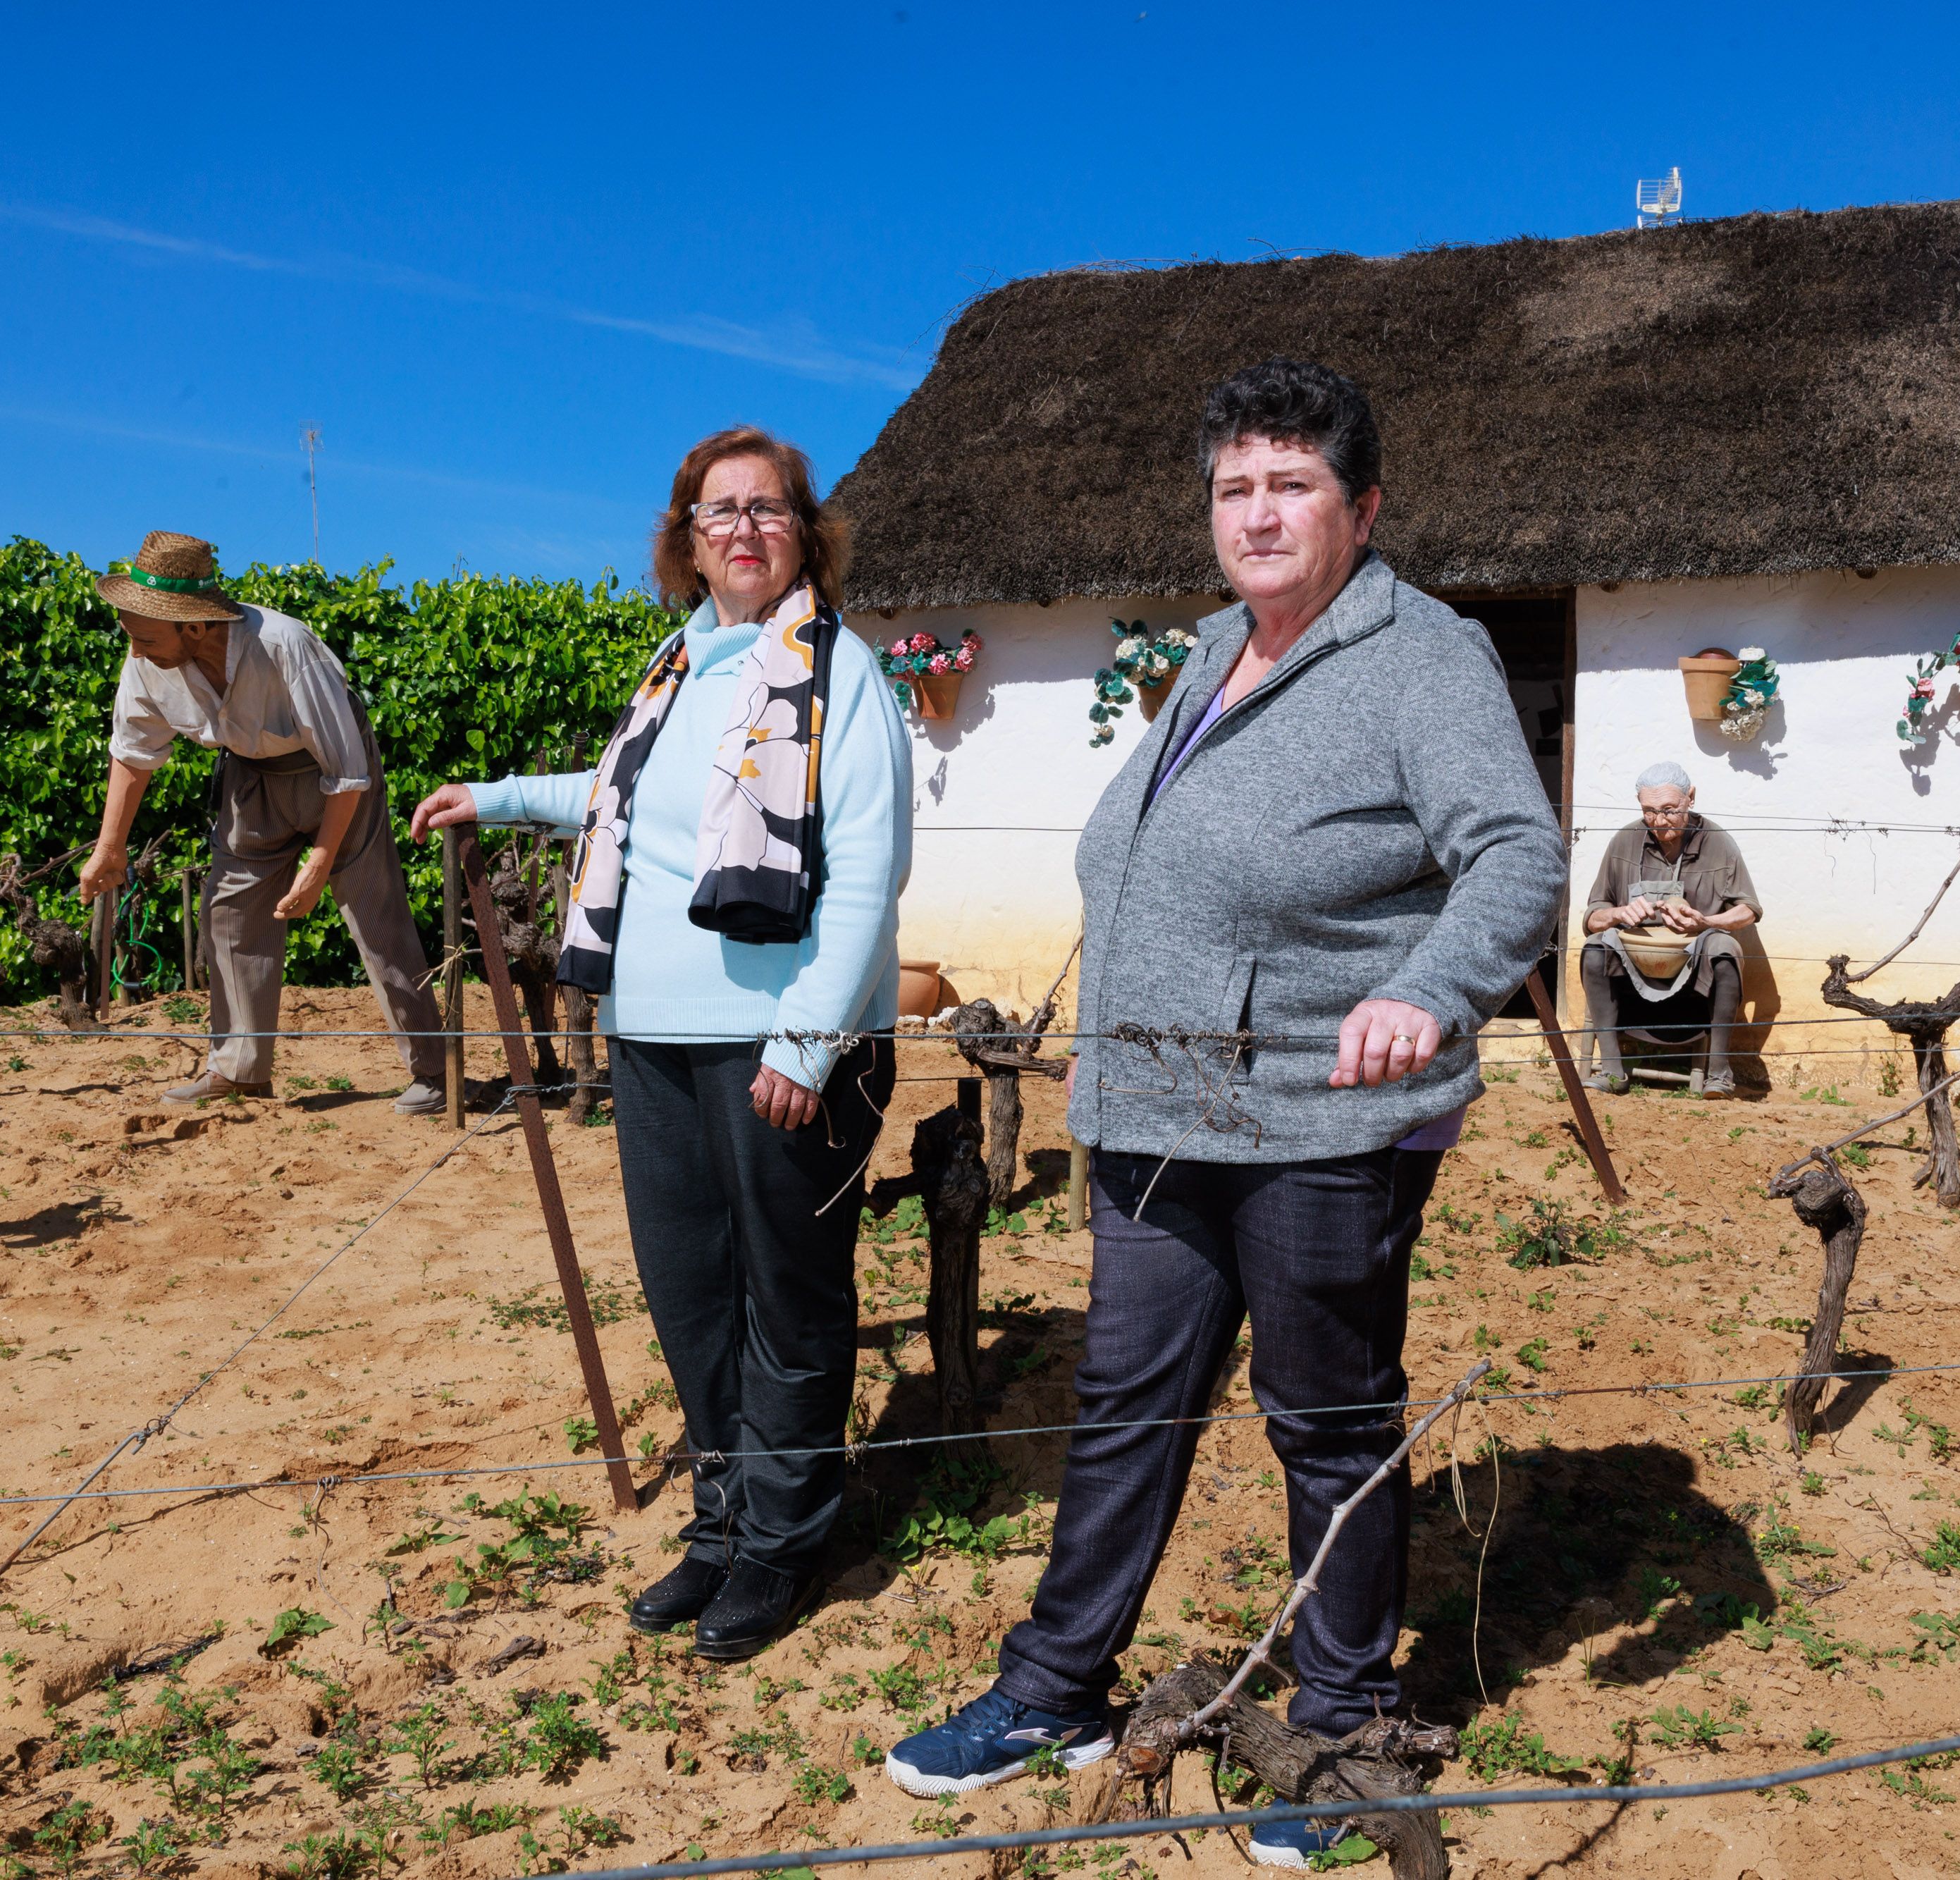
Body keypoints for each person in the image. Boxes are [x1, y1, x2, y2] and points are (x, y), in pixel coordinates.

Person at [887, 360, 1565, 1867]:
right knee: (1124, 1403)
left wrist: (1430, 986)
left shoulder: (1418, 655)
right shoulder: (1209, 651)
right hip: (1156, 1105)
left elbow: (1517, 857)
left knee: (1324, 1425)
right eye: (1232, 487)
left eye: (1291, 483)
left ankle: (1342, 1724)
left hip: (1321, 1112)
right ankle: (1056, 1686)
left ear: (1361, 505)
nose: (1255, 513)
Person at [408, 427, 908, 1661]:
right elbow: (625, 797)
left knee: (786, 1300)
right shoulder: (678, 668)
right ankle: (726, 1519)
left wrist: (804, 1043)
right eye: (716, 511)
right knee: (690, 1296)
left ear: (805, 528)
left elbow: (866, 877)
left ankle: (788, 1541)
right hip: (654, 1039)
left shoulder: (844, 677)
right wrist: (502, 796)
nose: (742, 528)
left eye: (766, 508)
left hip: (784, 1050)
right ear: (687, 541)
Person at [81, 530, 444, 1111]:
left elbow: (347, 769)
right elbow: (133, 750)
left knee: (375, 910)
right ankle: (240, 1067)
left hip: (333, 770)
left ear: (195, 626)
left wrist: (321, 860)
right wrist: (110, 846)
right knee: (229, 909)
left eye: (147, 635)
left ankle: (435, 1072)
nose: (136, 648)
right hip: (247, 772)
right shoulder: (144, 659)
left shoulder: (283, 645)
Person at [1578, 761, 1763, 1096]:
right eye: (1649, 811)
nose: (1659, 821)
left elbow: (1747, 910)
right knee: (1594, 947)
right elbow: (1593, 916)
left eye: (1668, 810)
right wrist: (1620, 913)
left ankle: (1719, 1072)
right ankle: (1612, 1070)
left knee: (1724, 949)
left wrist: (1707, 922)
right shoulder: (1625, 841)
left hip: (1695, 962)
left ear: (1690, 798)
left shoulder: (1719, 843)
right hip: (1633, 959)